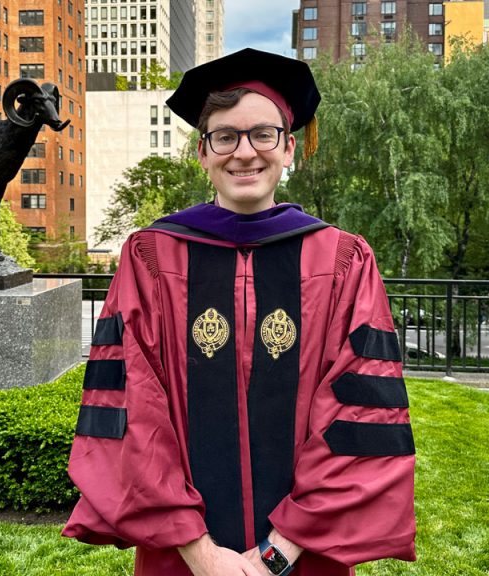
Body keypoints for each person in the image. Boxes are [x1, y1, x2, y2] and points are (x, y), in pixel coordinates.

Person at [63, 48, 415, 576]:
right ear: (203, 153)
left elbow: (359, 415)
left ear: (289, 147)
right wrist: (200, 553)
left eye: (262, 134)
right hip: (182, 556)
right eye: (225, 136)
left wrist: (279, 553)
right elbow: (135, 408)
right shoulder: (151, 258)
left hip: (306, 553)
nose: (244, 153)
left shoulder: (342, 260)